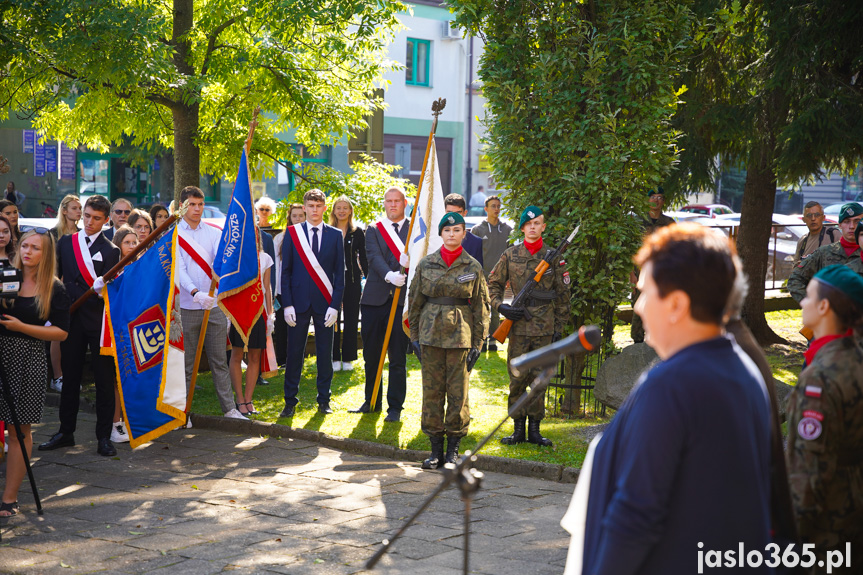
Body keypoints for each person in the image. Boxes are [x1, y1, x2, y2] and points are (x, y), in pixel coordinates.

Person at [569, 223, 773, 574]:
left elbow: (634, 516)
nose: (637, 307)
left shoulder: (673, 384)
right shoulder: (743, 370)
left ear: (677, 303)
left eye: (645, 293)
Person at [785, 265, 863, 570]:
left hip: (824, 537)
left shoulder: (819, 378)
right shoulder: (854, 358)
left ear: (824, 306)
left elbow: (809, 473)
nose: (802, 302)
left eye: (809, 296)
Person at [39, 195, 121, 457]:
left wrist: (101, 290)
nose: (89, 222)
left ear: (106, 220)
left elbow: (114, 291)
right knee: (70, 378)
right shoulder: (66, 242)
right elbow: (56, 279)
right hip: (72, 320)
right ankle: (65, 431)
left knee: (103, 380)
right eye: (86, 216)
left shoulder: (112, 250)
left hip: (97, 323)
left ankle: (103, 437)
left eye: (96, 218)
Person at [408, 212, 488, 469]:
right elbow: (415, 302)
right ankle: (434, 452)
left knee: (458, 395)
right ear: (441, 234)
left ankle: (453, 452)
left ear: (464, 234)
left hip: (460, 339)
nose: (452, 234)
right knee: (432, 393)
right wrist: (415, 338)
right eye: (447, 230)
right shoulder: (426, 264)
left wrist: (478, 343)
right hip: (430, 337)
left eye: (457, 230)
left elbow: (480, 307)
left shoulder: (472, 266)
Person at [0, 230, 69, 517]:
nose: (27, 251)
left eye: (35, 248)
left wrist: (22, 328)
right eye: (24, 245)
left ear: (46, 254)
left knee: (19, 431)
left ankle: (9, 498)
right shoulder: (5, 276)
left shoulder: (54, 288)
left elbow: (61, 332)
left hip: (28, 360)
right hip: (0, 353)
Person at [488, 206, 569, 447]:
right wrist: (501, 307)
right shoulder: (510, 255)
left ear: (543, 227)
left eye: (538, 224)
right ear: (523, 228)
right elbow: (493, 283)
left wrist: (559, 327)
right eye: (528, 224)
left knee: (540, 379)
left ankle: (535, 429)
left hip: (545, 327)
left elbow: (564, 294)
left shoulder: (554, 258)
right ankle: (517, 429)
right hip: (519, 327)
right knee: (517, 378)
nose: (533, 227)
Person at [175, 186, 246, 420]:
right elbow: (179, 271)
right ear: (182, 205)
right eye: (192, 204)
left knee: (219, 361)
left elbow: (221, 262)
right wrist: (195, 293)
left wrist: (217, 285)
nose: (197, 209)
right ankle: (182, 412)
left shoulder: (214, 233)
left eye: (200, 204)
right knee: (187, 365)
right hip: (187, 307)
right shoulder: (175, 234)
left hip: (214, 307)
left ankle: (229, 409)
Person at [279, 189, 345, 417]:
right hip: (297, 305)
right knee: (294, 354)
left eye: (319, 206)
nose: (315, 210)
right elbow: (285, 272)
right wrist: (286, 304)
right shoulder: (292, 233)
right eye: (311, 206)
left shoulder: (336, 235)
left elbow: (339, 275)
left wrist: (335, 306)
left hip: (325, 305)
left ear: (325, 208)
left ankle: (324, 400)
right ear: (304, 208)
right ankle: (290, 401)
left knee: (325, 354)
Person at [351, 187, 410, 421]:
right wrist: (389, 275)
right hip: (375, 300)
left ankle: (395, 407)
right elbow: (373, 257)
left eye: (397, 201)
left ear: (405, 203)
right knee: (372, 355)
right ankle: (371, 400)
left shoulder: (415, 229)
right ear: (384, 203)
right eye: (389, 201)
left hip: (400, 301)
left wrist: (410, 259)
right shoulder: (374, 229)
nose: (393, 205)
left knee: (397, 357)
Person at [229, 227, 274, 417]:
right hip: (238, 313)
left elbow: (267, 288)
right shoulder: (234, 258)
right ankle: (239, 399)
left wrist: (270, 314)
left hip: (258, 312)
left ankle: (249, 399)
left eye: (254, 234)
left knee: (255, 356)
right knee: (237, 355)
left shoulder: (265, 258)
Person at [788, 202, 863, 303]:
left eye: (857, 221)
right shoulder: (823, 253)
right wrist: (813, 304)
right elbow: (795, 279)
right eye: (846, 221)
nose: (852, 226)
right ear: (840, 224)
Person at [105, 225, 139, 444]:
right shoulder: (113, 270)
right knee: (117, 378)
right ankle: (115, 422)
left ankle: (131, 420)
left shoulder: (141, 269)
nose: (132, 246)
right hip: (116, 328)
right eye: (127, 242)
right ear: (118, 245)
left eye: (135, 242)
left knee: (132, 377)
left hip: (136, 328)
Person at [631, 188, 675, 343]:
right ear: (647, 199)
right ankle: (637, 343)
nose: (656, 200)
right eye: (653, 197)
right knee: (639, 307)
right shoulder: (637, 222)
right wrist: (631, 274)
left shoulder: (669, 223)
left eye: (660, 197)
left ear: (663, 201)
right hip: (641, 273)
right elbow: (630, 250)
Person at [470, 195, 512, 351]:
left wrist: (508, 276)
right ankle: (481, 340)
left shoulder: (507, 229)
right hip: (481, 276)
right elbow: (473, 255)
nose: (496, 209)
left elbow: (510, 255)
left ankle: (493, 341)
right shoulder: (477, 229)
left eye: (498, 206)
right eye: (493, 206)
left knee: (496, 309)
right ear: (486, 209)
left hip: (500, 277)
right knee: (481, 310)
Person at [47, 195, 80, 393]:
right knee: (56, 334)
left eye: (80, 208)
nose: (79, 211)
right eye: (75, 207)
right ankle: (57, 376)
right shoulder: (53, 234)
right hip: (56, 287)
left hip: (76, 291)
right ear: (65, 210)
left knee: (73, 334)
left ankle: (69, 374)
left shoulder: (82, 233)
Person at [330, 195, 367, 373]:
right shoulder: (327, 230)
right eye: (339, 207)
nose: (342, 210)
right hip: (331, 282)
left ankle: (348, 358)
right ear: (334, 211)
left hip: (352, 282)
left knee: (351, 320)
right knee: (332, 320)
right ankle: (334, 357)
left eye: (345, 207)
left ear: (350, 210)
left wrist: (368, 278)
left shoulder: (357, 232)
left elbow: (365, 258)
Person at [273, 204, 305, 368]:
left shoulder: (309, 237)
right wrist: (276, 291)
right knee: (281, 325)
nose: (298, 219)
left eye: (301, 215)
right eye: (295, 216)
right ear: (289, 218)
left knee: (299, 325)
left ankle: (297, 359)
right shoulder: (280, 239)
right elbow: (276, 267)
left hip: (301, 290)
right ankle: (282, 359)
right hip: (282, 290)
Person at [794, 201, 840, 266]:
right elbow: (795, 268)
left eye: (817, 215)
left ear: (823, 218)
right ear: (803, 219)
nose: (813, 219)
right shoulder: (802, 241)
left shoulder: (833, 235)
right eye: (809, 215)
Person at [444, 194, 482, 266]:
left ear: (465, 213)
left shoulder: (476, 243)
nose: (453, 217)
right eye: (449, 213)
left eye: (458, 213)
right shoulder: (434, 238)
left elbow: (478, 274)